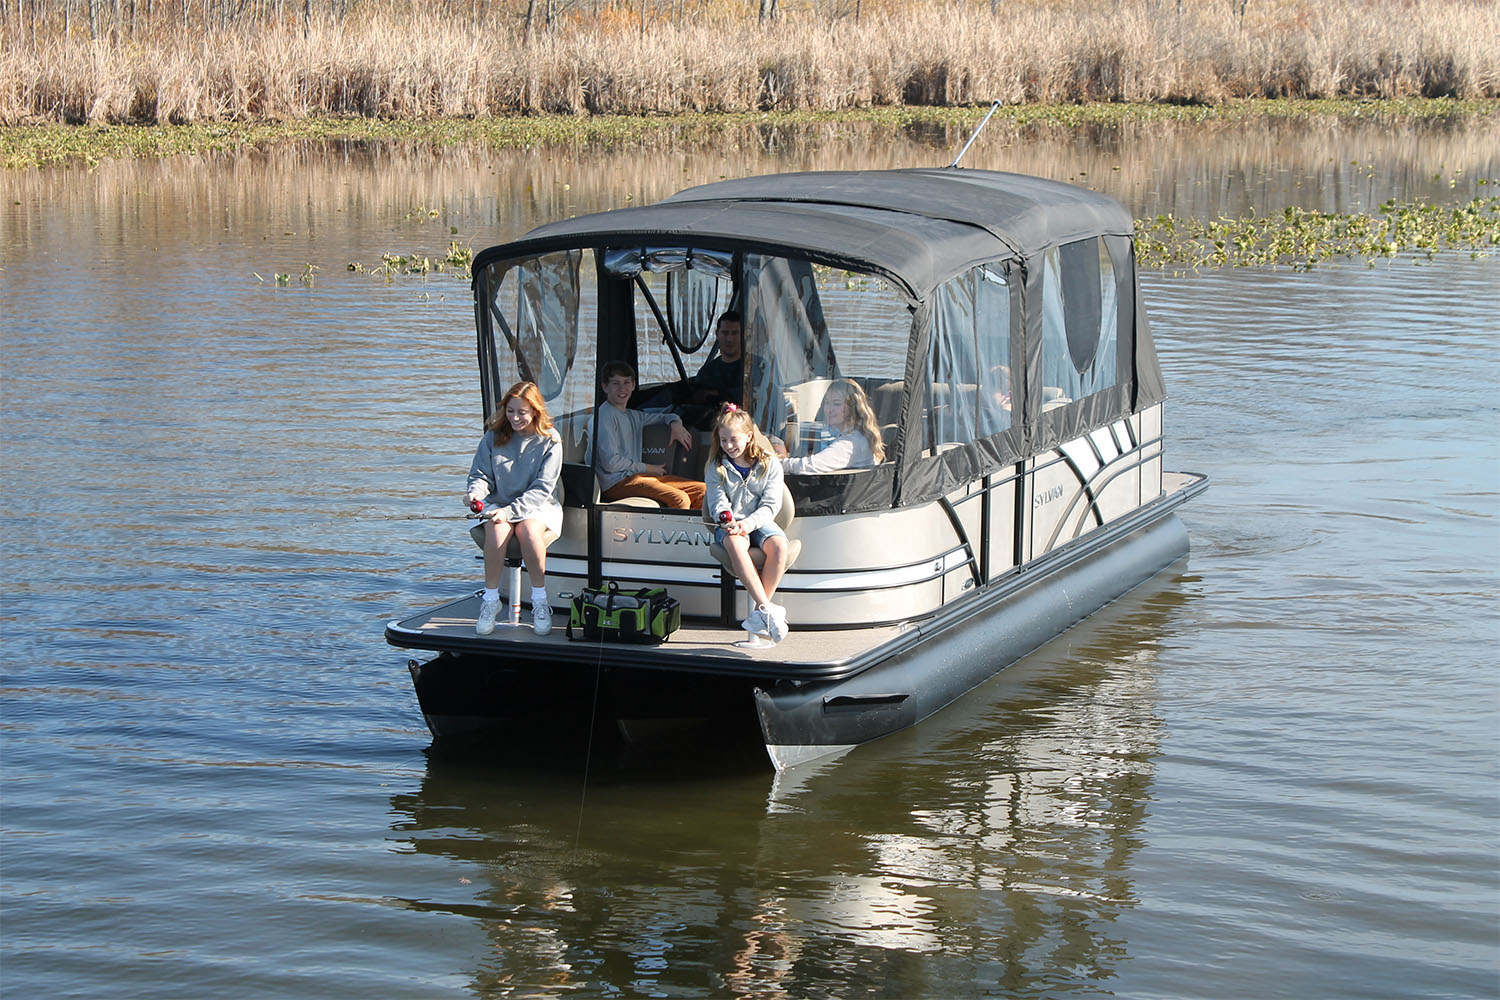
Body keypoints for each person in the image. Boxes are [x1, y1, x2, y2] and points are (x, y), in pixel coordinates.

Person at [464, 381, 563, 637]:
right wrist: (475, 493)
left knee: (529, 532)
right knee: (497, 531)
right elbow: (480, 475)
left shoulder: (551, 440)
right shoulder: (493, 436)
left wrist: (510, 512)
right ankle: (491, 600)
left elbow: (542, 489)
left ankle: (540, 600)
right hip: (500, 503)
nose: (515, 417)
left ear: (534, 411)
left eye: (521, 412)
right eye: (510, 411)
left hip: (539, 506)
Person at [704, 403, 790, 644]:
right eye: (723, 440)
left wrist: (749, 524)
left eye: (733, 440)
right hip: (732, 525)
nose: (728, 446)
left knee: (779, 546)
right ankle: (767, 610)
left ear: (749, 436)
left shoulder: (769, 464)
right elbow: (717, 504)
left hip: (760, 522)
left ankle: (760, 615)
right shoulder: (716, 467)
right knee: (734, 542)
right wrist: (728, 521)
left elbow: (771, 506)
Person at [593, 362, 706, 509]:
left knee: (703, 491)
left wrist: (675, 423)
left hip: (637, 477)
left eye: (627, 382)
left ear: (633, 385)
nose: (622, 388)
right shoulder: (605, 415)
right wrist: (648, 468)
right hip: (615, 482)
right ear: (605, 387)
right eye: (615, 383)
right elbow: (611, 463)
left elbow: (664, 416)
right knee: (679, 499)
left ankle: (699, 532)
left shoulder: (633, 415)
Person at [775, 378, 885, 474]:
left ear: (853, 407)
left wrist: (773, 463)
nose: (828, 410)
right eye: (827, 403)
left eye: (836, 404)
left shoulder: (850, 444)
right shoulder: (858, 435)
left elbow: (807, 466)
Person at [690, 311, 765, 410]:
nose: (729, 339)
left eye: (734, 333)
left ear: (744, 334)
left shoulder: (758, 367)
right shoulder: (706, 373)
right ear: (717, 334)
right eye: (725, 333)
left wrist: (721, 394)